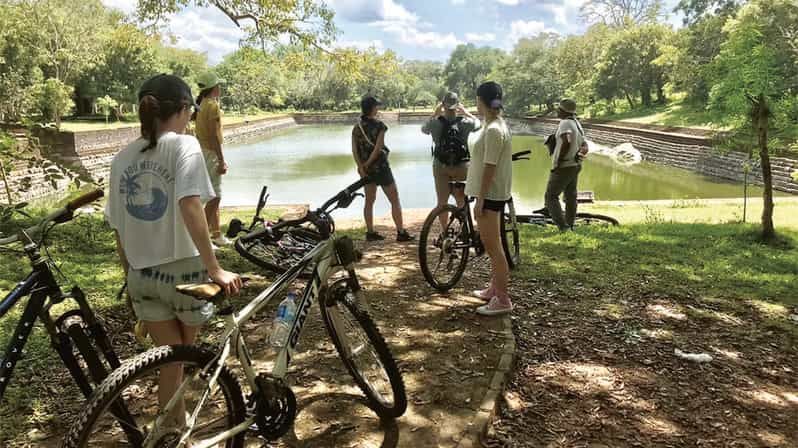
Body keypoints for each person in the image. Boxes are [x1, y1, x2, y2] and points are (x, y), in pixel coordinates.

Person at [106, 74, 242, 426]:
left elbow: (119, 228)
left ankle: (170, 435)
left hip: (140, 277)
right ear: (183, 110)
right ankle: (176, 431)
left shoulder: (121, 158)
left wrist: (130, 276)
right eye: (190, 114)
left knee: (170, 364)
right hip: (184, 274)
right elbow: (190, 204)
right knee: (181, 360)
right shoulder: (184, 146)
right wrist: (215, 269)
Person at [465, 82, 513, 316]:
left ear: (481, 100)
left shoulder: (495, 130)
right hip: (490, 194)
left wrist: (481, 199)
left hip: (491, 195)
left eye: (476, 100)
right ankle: (494, 288)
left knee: (494, 248)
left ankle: (503, 300)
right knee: (493, 246)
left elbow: (490, 167)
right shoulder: (492, 125)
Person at [351, 95, 414, 242]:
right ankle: (401, 232)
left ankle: (370, 232)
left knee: (369, 201)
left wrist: (361, 166)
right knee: (394, 199)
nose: (378, 108)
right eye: (376, 106)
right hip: (381, 168)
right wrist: (367, 164)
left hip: (366, 171)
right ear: (372, 108)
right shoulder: (380, 126)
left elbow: (354, 150)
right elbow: (378, 148)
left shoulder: (356, 127)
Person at [421, 91, 481, 227]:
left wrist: (436, 113)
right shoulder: (466, 122)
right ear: (457, 105)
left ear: (443, 105)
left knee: (442, 202)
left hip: (440, 166)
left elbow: (423, 129)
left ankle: (445, 233)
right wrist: (466, 112)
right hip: (462, 166)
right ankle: (464, 230)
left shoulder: (435, 123)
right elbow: (479, 124)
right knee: (461, 200)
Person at [193, 71, 229, 246]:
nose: (219, 87)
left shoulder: (202, 104)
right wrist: (221, 159)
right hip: (210, 152)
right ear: (214, 87)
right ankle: (203, 238)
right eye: (218, 85)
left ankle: (216, 234)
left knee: (213, 192)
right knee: (215, 196)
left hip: (203, 151)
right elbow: (214, 136)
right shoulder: (212, 106)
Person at [545, 98, 589, 230]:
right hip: (575, 165)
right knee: (570, 196)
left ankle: (563, 226)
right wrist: (579, 154)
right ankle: (570, 224)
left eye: (559, 109)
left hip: (564, 166)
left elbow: (567, 140)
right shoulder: (576, 123)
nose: (557, 111)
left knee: (551, 196)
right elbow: (585, 145)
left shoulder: (565, 123)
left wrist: (560, 160)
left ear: (563, 111)